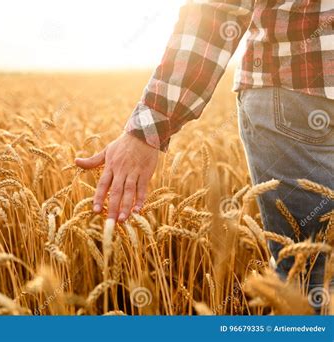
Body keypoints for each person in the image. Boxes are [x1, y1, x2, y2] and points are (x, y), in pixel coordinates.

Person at [75, 0, 333, 290]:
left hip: (294, 92)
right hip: (301, 97)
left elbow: (221, 8)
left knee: (312, 280)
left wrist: (149, 127)